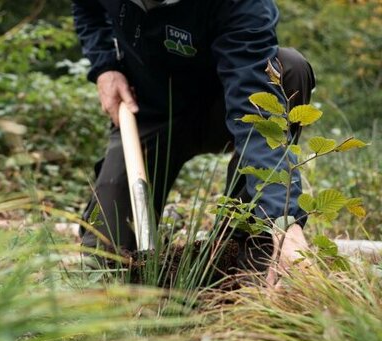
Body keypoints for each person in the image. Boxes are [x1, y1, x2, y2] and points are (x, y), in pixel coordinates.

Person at [72, 0, 315, 282]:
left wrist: (282, 221)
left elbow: (257, 118)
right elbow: (86, 7)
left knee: (289, 69)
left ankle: (245, 257)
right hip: (148, 110)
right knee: (101, 265)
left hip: (222, 106)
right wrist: (105, 65)